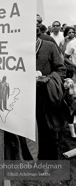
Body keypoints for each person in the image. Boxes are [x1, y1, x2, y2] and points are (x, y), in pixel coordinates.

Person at [36, 17, 67, 160]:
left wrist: (46, 79)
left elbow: (61, 70)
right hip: (25, 97)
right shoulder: (16, 49)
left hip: (45, 96)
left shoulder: (49, 46)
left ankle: (50, 161)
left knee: (48, 130)